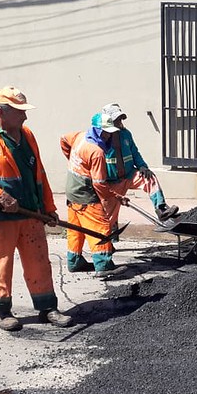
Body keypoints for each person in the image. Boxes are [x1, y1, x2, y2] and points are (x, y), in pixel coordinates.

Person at [0, 86, 73, 331]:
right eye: (19, 112)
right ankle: (2, 311)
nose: (25, 116)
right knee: (0, 263)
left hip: (30, 213)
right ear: (1, 112)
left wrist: (48, 207)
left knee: (39, 261)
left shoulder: (27, 134)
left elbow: (38, 174)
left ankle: (47, 307)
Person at [60, 111, 123, 278]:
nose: (109, 136)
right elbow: (99, 184)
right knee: (100, 227)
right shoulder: (96, 152)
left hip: (72, 192)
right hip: (86, 195)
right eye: (107, 132)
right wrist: (115, 196)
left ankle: (74, 262)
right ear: (98, 130)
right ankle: (104, 265)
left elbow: (63, 140)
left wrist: (74, 160)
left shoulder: (79, 137)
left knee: (76, 230)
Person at [100, 103, 179, 232]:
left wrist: (143, 166)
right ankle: (108, 244)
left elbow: (134, 152)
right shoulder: (101, 138)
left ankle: (161, 209)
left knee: (150, 178)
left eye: (120, 119)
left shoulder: (126, 134)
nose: (120, 122)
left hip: (129, 175)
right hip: (111, 182)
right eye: (116, 120)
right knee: (109, 216)